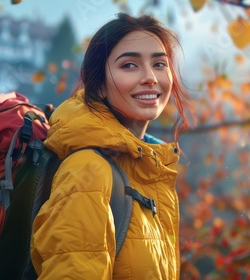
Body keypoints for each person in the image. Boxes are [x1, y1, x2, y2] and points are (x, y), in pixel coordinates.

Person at [30, 12, 196, 279]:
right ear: (99, 88)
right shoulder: (88, 172)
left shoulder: (147, 170)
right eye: (129, 65)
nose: (150, 78)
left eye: (159, 64)